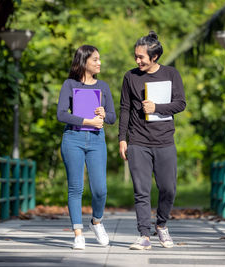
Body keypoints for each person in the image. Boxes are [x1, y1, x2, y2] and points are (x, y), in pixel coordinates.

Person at [118, 31, 186, 250]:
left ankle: (162, 225)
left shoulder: (171, 74)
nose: (137, 61)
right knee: (141, 190)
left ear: (154, 56)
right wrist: (122, 139)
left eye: (142, 57)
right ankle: (144, 235)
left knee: (168, 188)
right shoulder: (130, 77)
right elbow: (125, 108)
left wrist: (157, 108)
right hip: (138, 140)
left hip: (165, 140)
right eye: (136, 56)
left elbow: (180, 103)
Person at [57, 45, 116, 250]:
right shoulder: (69, 85)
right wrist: (87, 121)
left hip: (97, 141)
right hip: (73, 138)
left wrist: (103, 113)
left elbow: (112, 117)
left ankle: (96, 222)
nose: (99, 63)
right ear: (84, 62)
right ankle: (78, 233)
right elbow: (61, 114)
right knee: (75, 188)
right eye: (95, 59)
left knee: (100, 190)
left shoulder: (104, 87)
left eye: (100, 59)